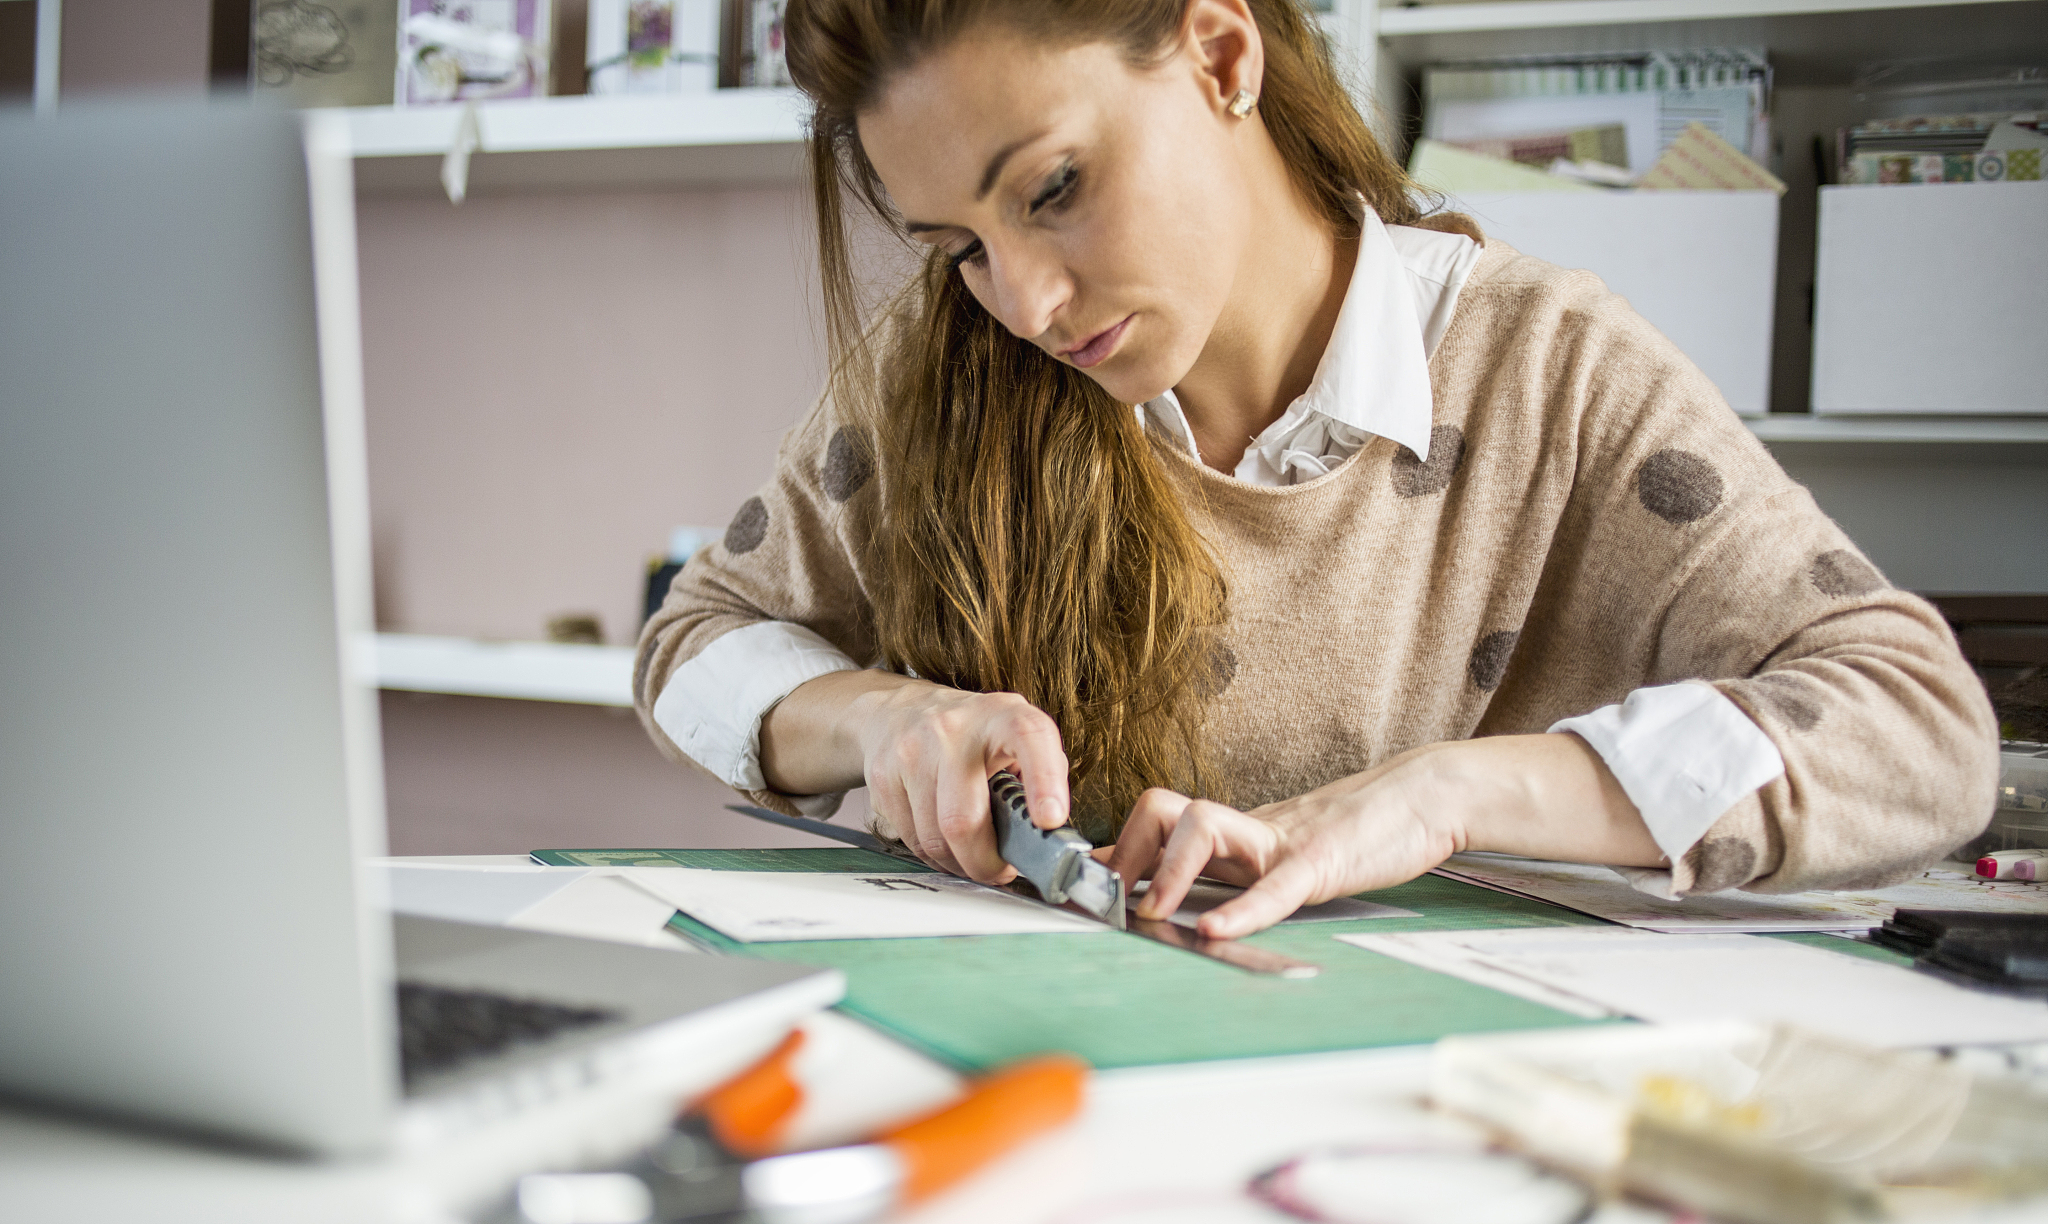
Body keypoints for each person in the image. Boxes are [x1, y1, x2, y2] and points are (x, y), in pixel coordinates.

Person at [635, 0, 1995, 939]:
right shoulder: (941, 369)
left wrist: (1440, 798)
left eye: (1053, 189)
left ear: (1222, 55)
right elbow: (691, 646)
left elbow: (1920, 727)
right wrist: (883, 720)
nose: (1029, 303)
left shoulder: (1548, 368)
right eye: (963, 248)